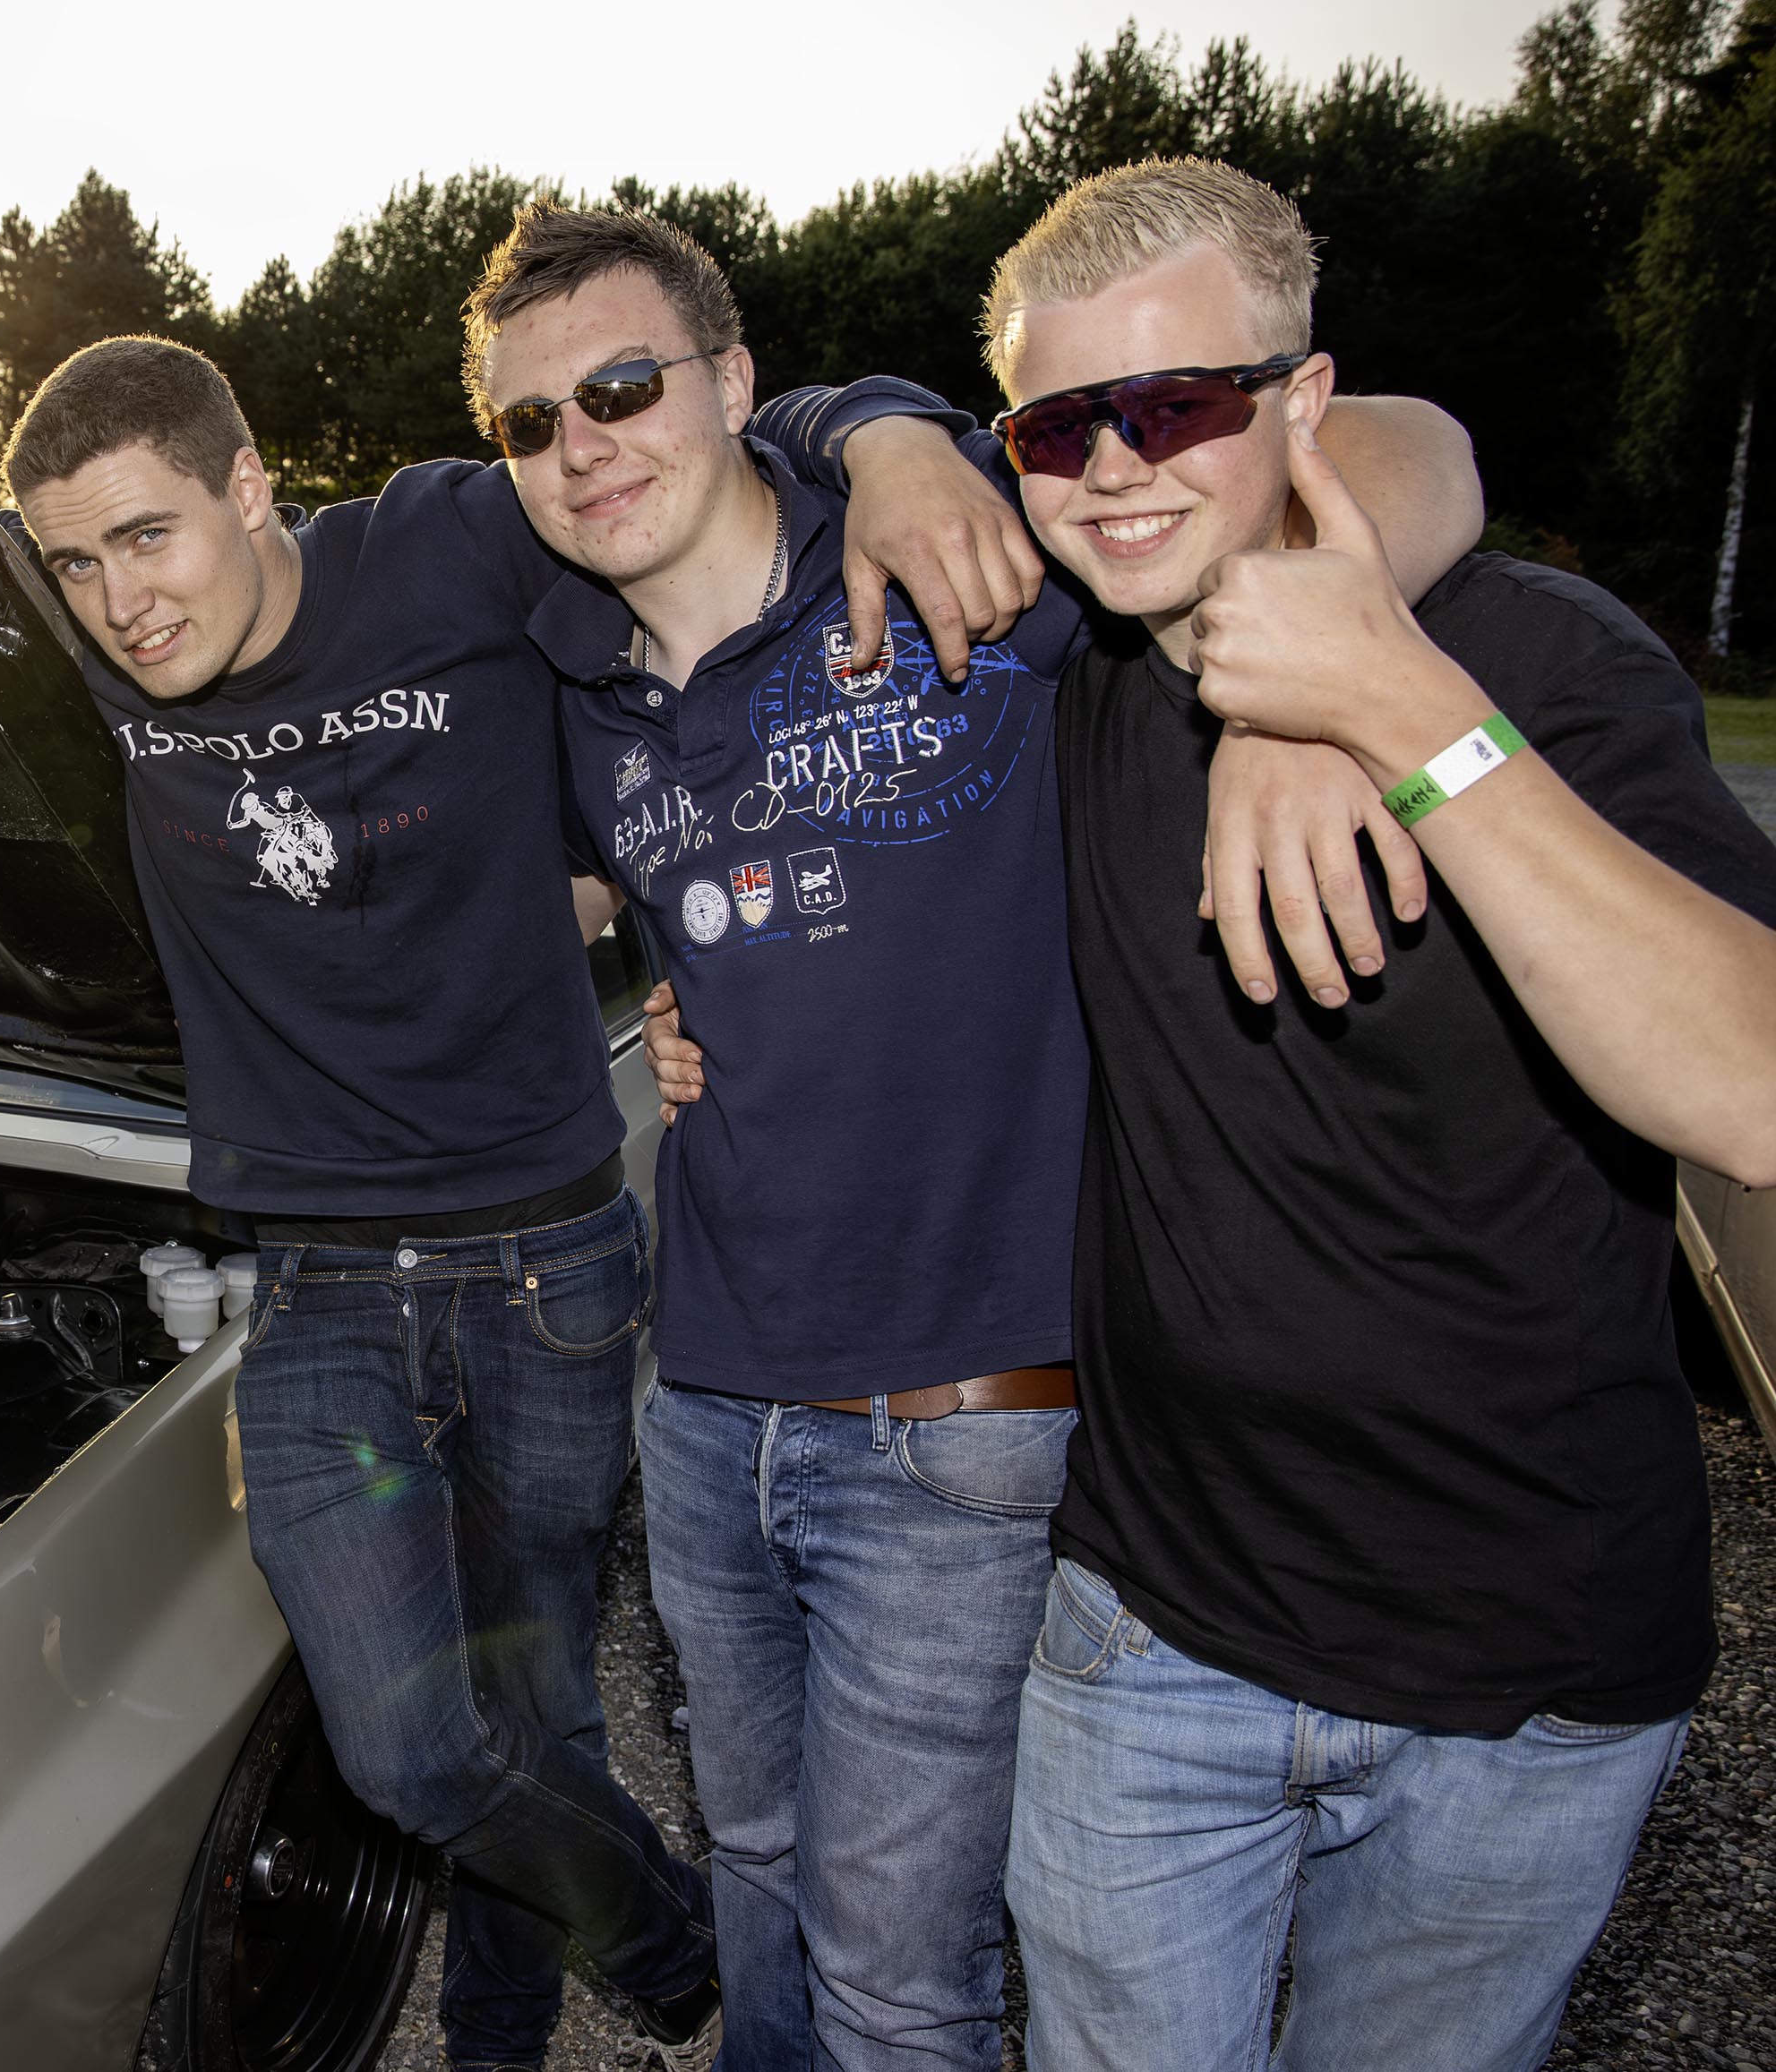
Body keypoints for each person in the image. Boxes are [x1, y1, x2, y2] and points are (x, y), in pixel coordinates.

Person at [0, 343, 1036, 2068]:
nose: (118, 602)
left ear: (252, 486)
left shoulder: (447, 541)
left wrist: (882, 436)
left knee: (546, 1701)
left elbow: (665, 462)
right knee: (412, 1743)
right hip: (319, 1288)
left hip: (551, 1267)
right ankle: (674, 1946)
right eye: (75, 562)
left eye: (150, 538)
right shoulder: (87, 631)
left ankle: (496, 2043)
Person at [470, 202, 1480, 2071]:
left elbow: (1409, 448)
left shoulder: (970, 567)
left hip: (961, 1427)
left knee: (896, 1973)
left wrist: (1316, 679)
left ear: (738, 385)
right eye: (528, 424)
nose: (580, 445)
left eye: (619, 388)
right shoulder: (570, 692)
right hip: (700, 1404)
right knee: (759, 1861)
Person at [965, 157, 1776, 2072]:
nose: (1110, 468)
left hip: (1529, 1669)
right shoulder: (1073, 687)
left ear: (1300, 403)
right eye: (1048, 425)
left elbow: (1746, 1082)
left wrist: (1388, 716)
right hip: (1155, 1621)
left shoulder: (1547, 668)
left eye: (1170, 404)